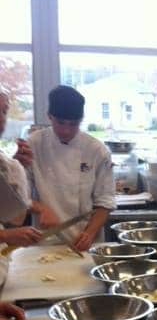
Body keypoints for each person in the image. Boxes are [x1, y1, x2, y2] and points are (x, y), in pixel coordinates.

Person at [24, 85, 115, 251]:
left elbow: (105, 201)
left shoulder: (97, 150)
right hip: (46, 241)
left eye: (74, 124)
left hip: (87, 242)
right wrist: (41, 208)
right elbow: (21, 195)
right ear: (49, 117)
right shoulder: (33, 145)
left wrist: (89, 233)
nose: (66, 130)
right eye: (61, 123)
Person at [0, 93, 42, 260]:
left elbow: (14, 219)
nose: (1, 119)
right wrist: (5, 236)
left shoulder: (5, 162)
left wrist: (16, 171)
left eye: (3, 111)